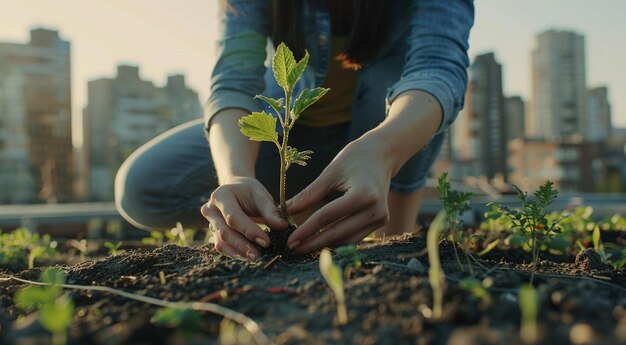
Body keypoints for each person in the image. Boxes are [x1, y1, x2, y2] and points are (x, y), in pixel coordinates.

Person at [115, 0, 474, 260]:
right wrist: (236, 176)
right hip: (289, 137)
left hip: (378, 140)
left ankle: (391, 227)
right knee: (142, 186)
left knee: (401, 88)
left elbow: (438, 68)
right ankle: (305, 214)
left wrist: (381, 150)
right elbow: (234, 80)